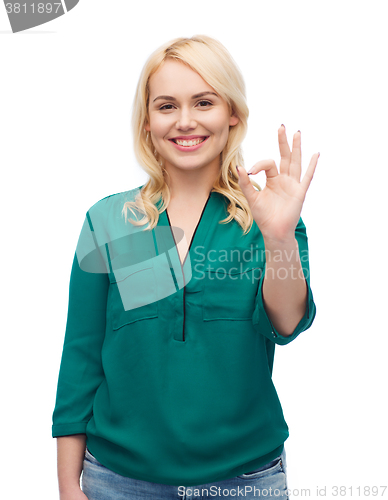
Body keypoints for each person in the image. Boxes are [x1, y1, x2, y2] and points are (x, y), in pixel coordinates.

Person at [52, 34, 319, 500]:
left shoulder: (266, 219)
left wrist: (278, 240)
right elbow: (81, 357)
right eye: (167, 106)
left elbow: (287, 322)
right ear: (148, 121)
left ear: (231, 114)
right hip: (116, 479)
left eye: (204, 102)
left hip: (244, 479)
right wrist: (66, 487)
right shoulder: (111, 222)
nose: (186, 121)